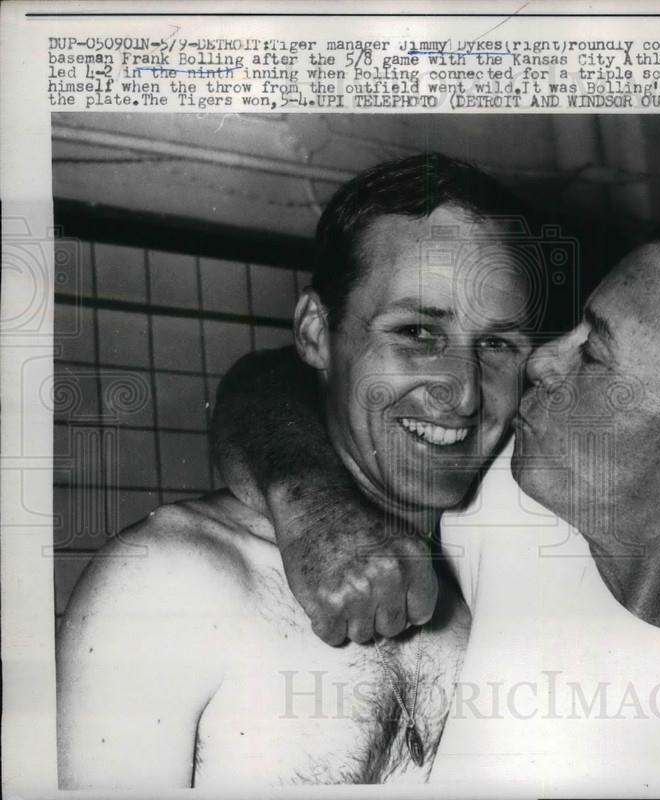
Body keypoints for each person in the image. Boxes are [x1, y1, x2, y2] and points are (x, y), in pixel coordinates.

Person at [211, 222, 660, 792]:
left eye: (595, 354)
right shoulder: (532, 503)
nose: (543, 359)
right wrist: (317, 508)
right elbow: (275, 382)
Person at [56, 153, 539, 789]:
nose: (465, 394)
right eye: (418, 331)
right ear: (315, 333)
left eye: (497, 345)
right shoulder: (172, 585)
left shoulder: (505, 588)